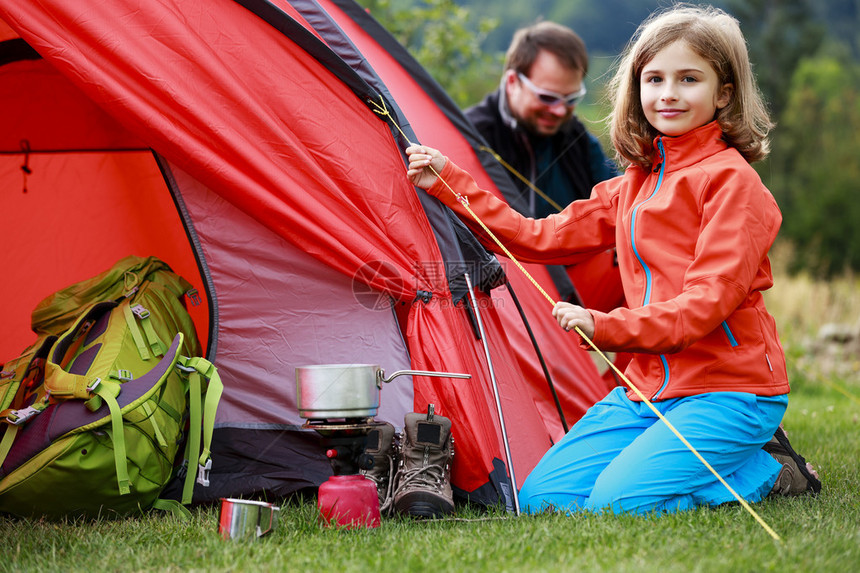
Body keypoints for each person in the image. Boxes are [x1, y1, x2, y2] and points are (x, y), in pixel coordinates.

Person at [405, 5, 820, 514]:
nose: (667, 93)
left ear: (724, 93)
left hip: (728, 390)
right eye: (654, 78)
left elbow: (703, 306)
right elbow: (536, 236)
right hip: (645, 387)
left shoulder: (734, 184)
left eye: (689, 79)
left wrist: (604, 326)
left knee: (616, 503)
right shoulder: (634, 183)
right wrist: (451, 182)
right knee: (542, 499)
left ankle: (771, 470)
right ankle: (706, 460)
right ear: (637, 87)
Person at [466, 21, 621, 307]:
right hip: (498, 287)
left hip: (571, 286)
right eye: (547, 97)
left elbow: (624, 198)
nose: (559, 110)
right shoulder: (470, 136)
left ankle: (643, 352)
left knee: (639, 247)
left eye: (571, 99)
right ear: (513, 82)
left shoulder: (576, 138)